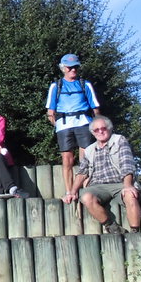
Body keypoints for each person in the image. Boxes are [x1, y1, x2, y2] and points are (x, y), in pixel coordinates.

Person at [65, 116, 141, 235]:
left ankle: (135, 232)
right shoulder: (89, 149)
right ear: (93, 132)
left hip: (120, 183)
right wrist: (72, 192)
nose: (100, 131)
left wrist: (127, 185)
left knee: (130, 195)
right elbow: (82, 173)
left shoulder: (119, 140)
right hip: (97, 186)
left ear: (109, 128)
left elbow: (127, 165)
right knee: (86, 197)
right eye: (96, 130)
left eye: (103, 128)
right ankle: (112, 227)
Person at [46, 54, 101, 201]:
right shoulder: (56, 86)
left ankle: (86, 190)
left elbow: (95, 108)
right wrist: (57, 124)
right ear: (63, 68)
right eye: (70, 67)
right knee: (67, 160)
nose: (73, 70)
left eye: (75, 67)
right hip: (64, 125)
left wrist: (96, 125)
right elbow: (50, 112)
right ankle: (69, 191)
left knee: (86, 158)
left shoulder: (85, 84)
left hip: (84, 123)